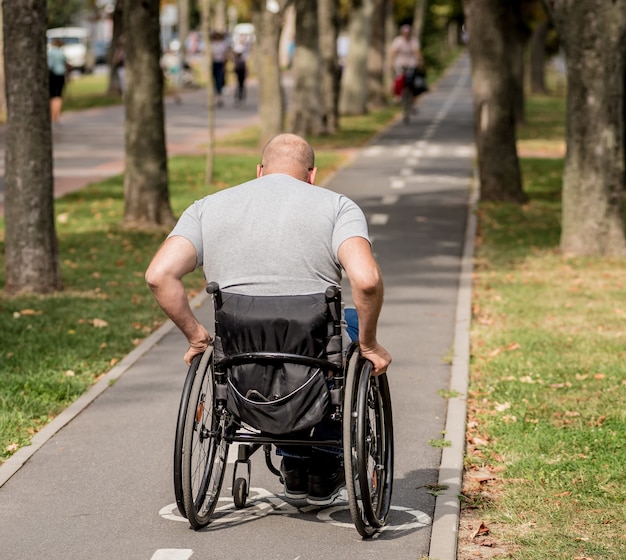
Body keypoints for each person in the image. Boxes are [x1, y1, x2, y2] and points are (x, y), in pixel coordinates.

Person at [145, 133, 392, 506]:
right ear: (312, 175)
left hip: (241, 349)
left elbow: (158, 275)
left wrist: (196, 337)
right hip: (312, 349)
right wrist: (370, 345)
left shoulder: (208, 207)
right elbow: (367, 280)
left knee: (271, 352)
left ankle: (292, 463)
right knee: (351, 327)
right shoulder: (337, 207)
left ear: (259, 171)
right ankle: (322, 463)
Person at [390, 24, 425, 103]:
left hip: (411, 64)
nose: (406, 34)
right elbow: (393, 52)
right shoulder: (398, 41)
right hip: (400, 64)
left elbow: (417, 52)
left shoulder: (413, 41)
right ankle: (398, 95)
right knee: (398, 79)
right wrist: (391, 63)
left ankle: (413, 97)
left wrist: (420, 62)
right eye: (405, 33)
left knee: (412, 81)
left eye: (408, 33)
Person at [47, 38, 69, 124]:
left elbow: (50, 65)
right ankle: (57, 116)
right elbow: (66, 64)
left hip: (52, 75)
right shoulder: (61, 53)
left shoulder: (50, 53)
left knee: (52, 96)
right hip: (60, 75)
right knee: (58, 96)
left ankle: (52, 115)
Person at [210, 31, 230, 107]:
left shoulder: (222, 45)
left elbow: (225, 56)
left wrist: (225, 65)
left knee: (219, 80)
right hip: (214, 63)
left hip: (220, 63)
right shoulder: (212, 45)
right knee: (214, 80)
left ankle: (219, 96)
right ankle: (216, 96)